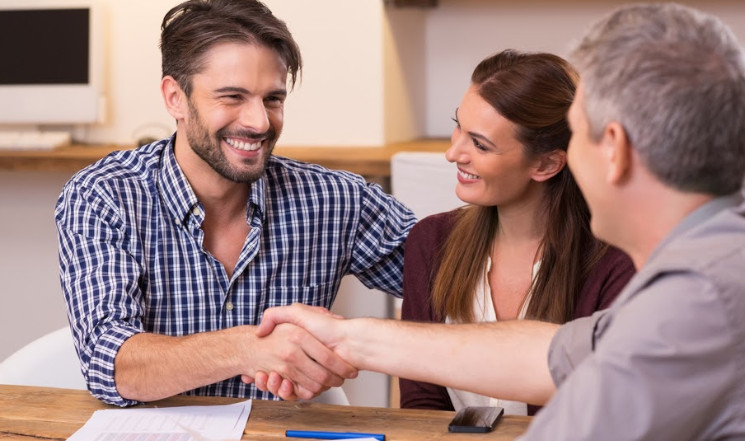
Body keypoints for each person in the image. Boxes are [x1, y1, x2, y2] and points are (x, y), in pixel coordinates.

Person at [256, 3, 745, 439]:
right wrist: (346, 338)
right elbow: (550, 353)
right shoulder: (712, 262)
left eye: (577, 134)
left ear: (612, 149)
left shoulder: (696, 301)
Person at [54, 0, 414, 407]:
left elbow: (458, 281)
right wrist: (250, 347)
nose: (259, 123)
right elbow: (112, 365)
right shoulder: (104, 196)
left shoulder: (336, 199)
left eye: (273, 99)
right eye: (232, 97)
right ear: (175, 98)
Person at [399, 49, 635, 415]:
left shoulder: (616, 262)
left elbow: (602, 412)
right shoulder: (431, 242)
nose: (453, 152)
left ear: (547, 163)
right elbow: (422, 403)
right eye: (458, 124)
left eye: (480, 144)